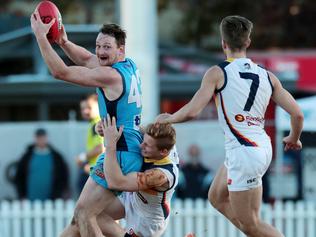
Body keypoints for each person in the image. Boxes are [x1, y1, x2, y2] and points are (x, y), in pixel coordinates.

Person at [156, 15, 304, 237]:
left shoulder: (217, 73)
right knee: (216, 197)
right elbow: (298, 114)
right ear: (248, 43)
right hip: (260, 147)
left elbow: (193, 111)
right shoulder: (268, 76)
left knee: (252, 224)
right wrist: (294, 137)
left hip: (244, 151)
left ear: (223, 43)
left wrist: (168, 118)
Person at [30, 12, 143, 237]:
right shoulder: (128, 65)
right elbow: (87, 59)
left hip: (119, 154)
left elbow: (60, 72)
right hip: (123, 149)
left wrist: (42, 38)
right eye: (98, 46)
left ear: (120, 49)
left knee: (84, 215)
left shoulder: (110, 75)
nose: (100, 52)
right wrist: (63, 42)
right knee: (82, 218)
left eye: (107, 47)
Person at [96, 115, 179, 237]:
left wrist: (110, 145)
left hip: (147, 222)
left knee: (90, 217)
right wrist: (104, 128)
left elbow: (116, 183)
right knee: (89, 214)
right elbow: (134, 128)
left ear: (164, 152)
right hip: (133, 200)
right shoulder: (159, 139)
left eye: (147, 146)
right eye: (143, 141)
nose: (141, 146)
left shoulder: (160, 176)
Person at [14, 128, 69, 201]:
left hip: (52, 199)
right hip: (30, 199)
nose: (41, 140)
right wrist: (21, 195)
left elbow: (63, 176)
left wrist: (60, 193)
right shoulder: (27, 157)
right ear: (35, 138)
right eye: (38, 138)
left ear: (46, 138)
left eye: (43, 137)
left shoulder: (56, 157)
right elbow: (19, 176)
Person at [76, 94, 104, 193]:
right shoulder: (95, 123)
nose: (85, 111)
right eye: (82, 108)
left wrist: (82, 158)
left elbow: (101, 148)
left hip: (96, 171)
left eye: (89, 107)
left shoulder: (97, 124)